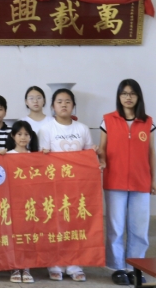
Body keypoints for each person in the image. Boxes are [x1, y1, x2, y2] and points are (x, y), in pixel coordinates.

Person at [97, 79, 156, 285]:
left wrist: (153, 180)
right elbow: (102, 149)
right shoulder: (108, 120)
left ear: (138, 96)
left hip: (141, 181)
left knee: (139, 228)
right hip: (115, 180)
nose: (128, 97)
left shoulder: (147, 122)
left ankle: (135, 267)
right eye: (124, 93)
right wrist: (100, 159)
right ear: (119, 96)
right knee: (116, 227)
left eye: (132, 93)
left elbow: (151, 152)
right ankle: (117, 267)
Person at [39, 88, 94, 282]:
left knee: (76, 224)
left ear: (73, 106)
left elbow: (89, 157)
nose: (64, 105)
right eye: (59, 101)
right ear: (53, 106)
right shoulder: (46, 129)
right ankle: (55, 265)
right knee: (55, 225)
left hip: (77, 186)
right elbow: (42, 160)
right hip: (55, 185)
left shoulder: (82, 129)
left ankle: (74, 265)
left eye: (68, 101)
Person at [3, 120, 37, 284]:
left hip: (30, 203)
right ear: (13, 136)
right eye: (19, 134)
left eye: (26, 134)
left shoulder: (35, 156)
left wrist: (47, 155)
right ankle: (15, 266)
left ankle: (27, 266)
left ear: (31, 137)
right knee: (13, 235)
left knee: (28, 235)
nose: (23, 137)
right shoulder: (6, 155)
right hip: (12, 202)